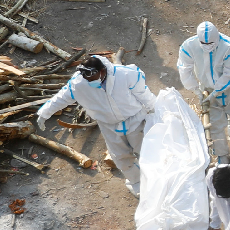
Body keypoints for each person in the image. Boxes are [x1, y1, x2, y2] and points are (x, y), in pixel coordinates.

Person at [38, 56, 155, 194]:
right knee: (121, 156)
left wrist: (155, 109)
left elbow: (143, 94)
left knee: (147, 150)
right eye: (88, 80)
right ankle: (137, 182)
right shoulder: (78, 83)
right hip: (109, 125)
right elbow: (61, 98)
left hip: (135, 119)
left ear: (103, 70)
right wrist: (44, 113)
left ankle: (157, 179)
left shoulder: (125, 74)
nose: (91, 82)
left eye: (94, 78)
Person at [178, 22, 230, 161]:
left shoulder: (229, 46)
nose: (208, 45)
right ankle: (221, 153)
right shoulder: (189, 46)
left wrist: (217, 91)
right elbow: (184, 68)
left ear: (218, 37)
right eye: (204, 43)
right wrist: (195, 89)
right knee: (214, 124)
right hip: (207, 90)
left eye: (211, 43)